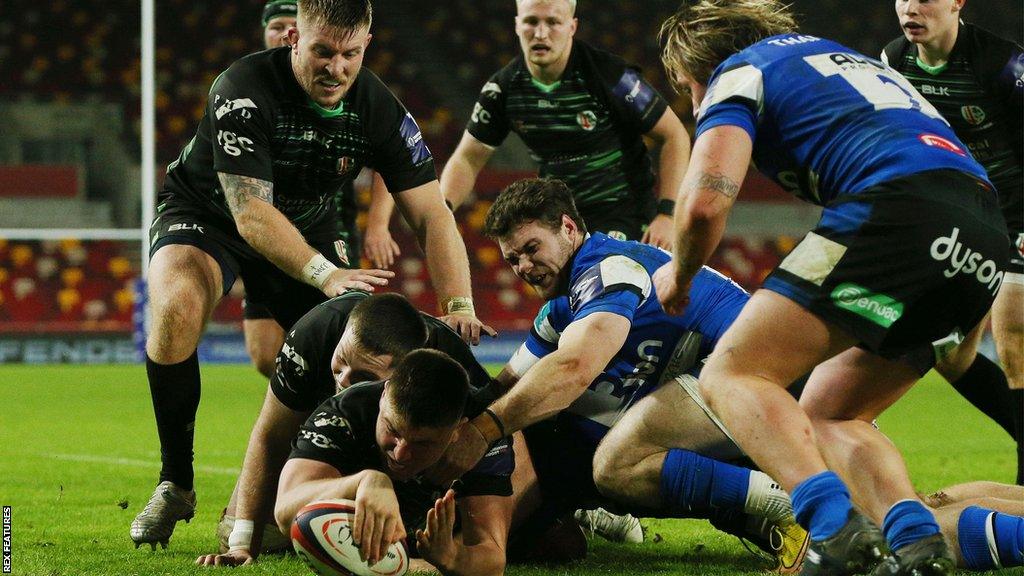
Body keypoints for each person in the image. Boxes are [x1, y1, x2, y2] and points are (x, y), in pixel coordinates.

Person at [653, 1, 1008, 574]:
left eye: (688, 90)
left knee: (733, 374)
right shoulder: (845, 62)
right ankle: (920, 547)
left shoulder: (738, 71)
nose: (694, 105)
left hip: (900, 210)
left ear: (697, 70)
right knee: (831, 414)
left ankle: (833, 531)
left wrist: (681, 274)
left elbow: (704, 204)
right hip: (986, 237)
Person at [131, 0, 492, 550]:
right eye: (322, 51)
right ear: (295, 40)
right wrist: (325, 274)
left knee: (350, 353)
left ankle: (316, 487)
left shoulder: (380, 109)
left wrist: (459, 304)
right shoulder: (243, 87)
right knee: (176, 307)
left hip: (307, 222)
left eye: (350, 54)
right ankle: (176, 481)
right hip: (209, 214)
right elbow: (250, 213)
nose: (336, 68)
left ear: (366, 46)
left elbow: (431, 214)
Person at [431, 178, 810, 572]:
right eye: (513, 259)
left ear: (568, 227)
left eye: (531, 249)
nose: (524, 267)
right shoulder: (563, 306)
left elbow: (573, 368)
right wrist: (455, 420)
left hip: (756, 372)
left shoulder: (606, 271)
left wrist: (482, 432)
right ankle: (771, 519)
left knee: (617, 461)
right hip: (734, 375)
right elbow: (506, 385)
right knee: (601, 438)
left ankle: (791, 506)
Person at [194, 291, 494, 565]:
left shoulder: (458, 377)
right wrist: (242, 544)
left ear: (398, 379)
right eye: (340, 362)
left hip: (417, 464)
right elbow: (270, 436)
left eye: (363, 375)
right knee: (265, 533)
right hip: (345, 448)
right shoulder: (315, 336)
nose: (343, 380)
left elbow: (501, 439)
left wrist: (454, 553)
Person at [881, 0, 1024, 484]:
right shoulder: (895, 60)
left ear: (957, 2)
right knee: (951, 356)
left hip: (1019, 212)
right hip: (963, 219)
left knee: (1015, 338)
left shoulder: (1002, 64)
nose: (910, 8)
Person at [440, 0, 690, 248]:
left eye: (553, 22)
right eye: (531, 21)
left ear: (572, 26)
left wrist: (668, 214)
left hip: (625, 214)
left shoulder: (610, 75)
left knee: (607, 277)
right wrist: (441, 212)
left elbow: (675, 135)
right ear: (517, 25)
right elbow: (468, 159)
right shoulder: (503, 90)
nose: (540, 33)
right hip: (560, 221)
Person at [244, 0, 402, 380]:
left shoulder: (351, 89)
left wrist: (378, 224)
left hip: (327, 226)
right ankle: (300, 399)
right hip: (263, 230)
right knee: (267, 356)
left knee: (334, 339)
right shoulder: (250, 88)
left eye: (288, 23)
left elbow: (391, 161)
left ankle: (328, 412)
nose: (282, 33)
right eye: (275, 26)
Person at [274, 349, 515, 575]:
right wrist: (366, 481)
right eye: (392, 429)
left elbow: (493, 560)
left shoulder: (479, 440)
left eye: (422, 444)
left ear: (457, 431)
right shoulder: (347, 412)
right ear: (384, 394)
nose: (400, 454)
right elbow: (285, 512)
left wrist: (452, 556)